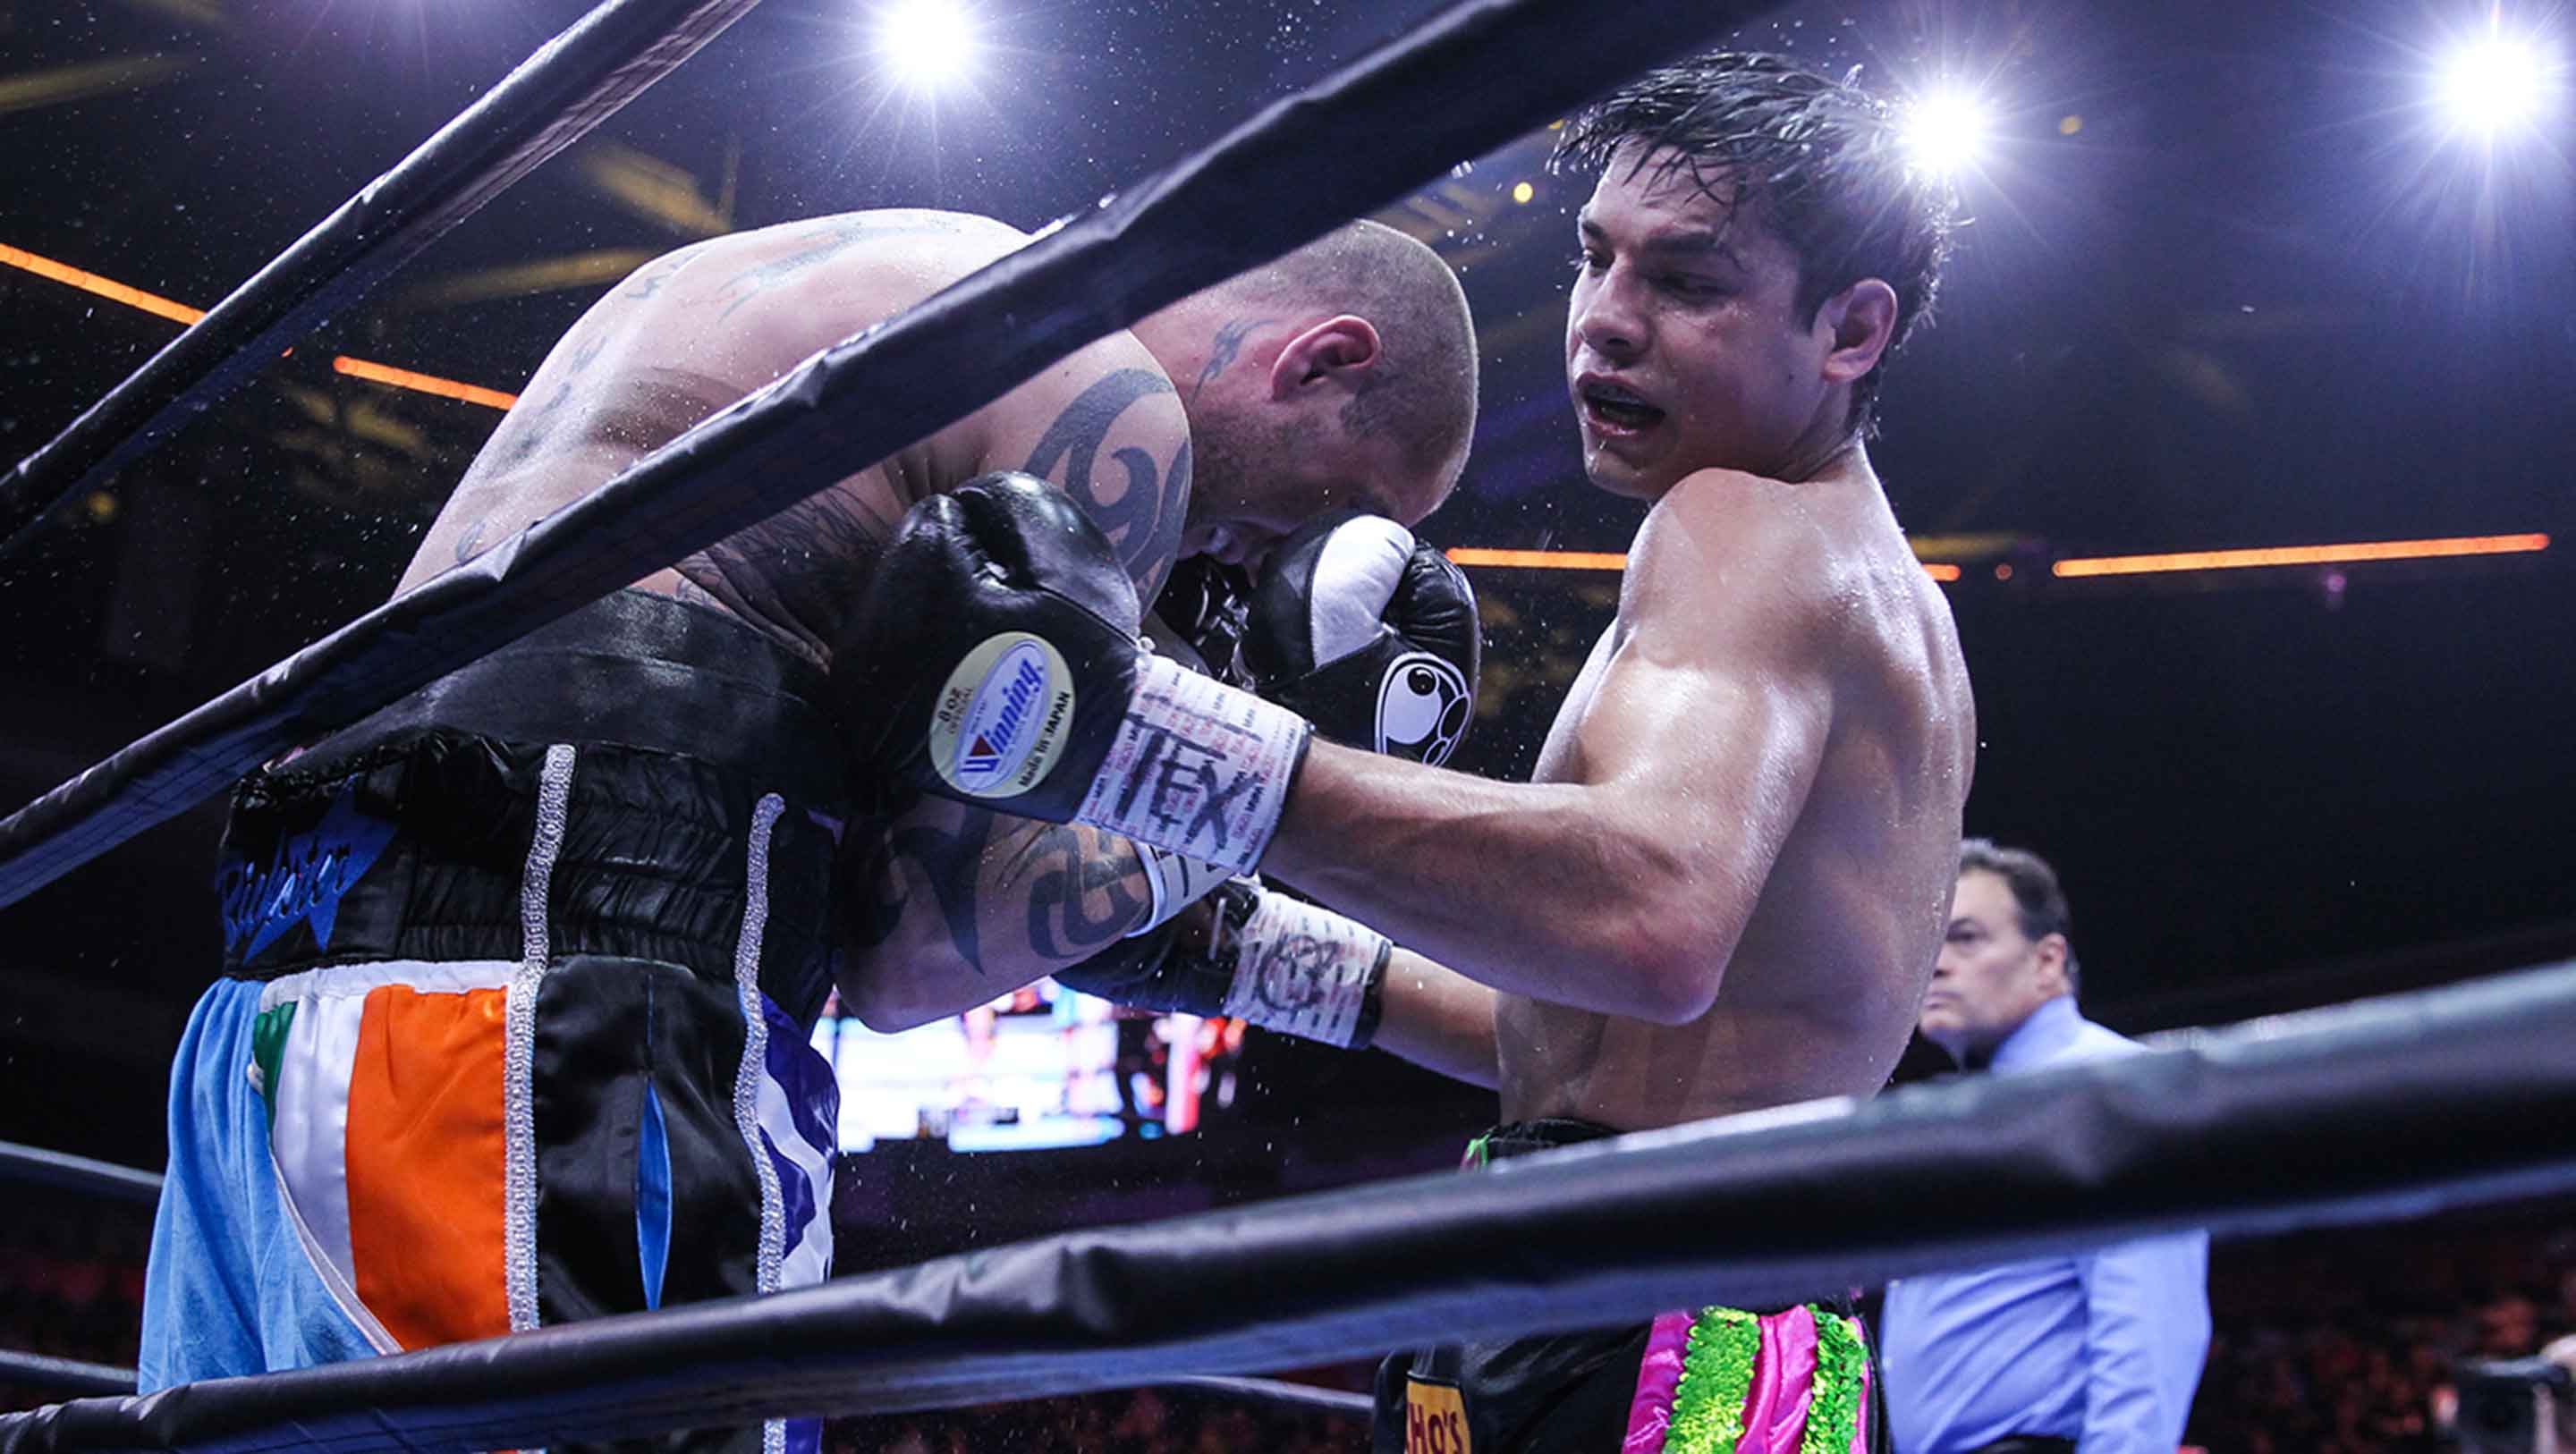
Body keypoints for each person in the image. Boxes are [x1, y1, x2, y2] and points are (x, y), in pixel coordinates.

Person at [139, 205, 1482, 1454]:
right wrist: (1251, 780)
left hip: (278, 975)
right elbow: (906, 967)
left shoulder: (828, 276)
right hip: (579, 999)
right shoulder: (1113, 405)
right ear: (1323, 360)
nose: (1251, 563)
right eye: (1320, 514)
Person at [845, 52, 1975, 1453]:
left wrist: (1140, 740)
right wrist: (1238, 950)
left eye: (1684, 282)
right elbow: (1603, 1032)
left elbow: (1648, 922)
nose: (1603, 324)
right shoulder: (1848, 575)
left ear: (1850, 329)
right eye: (1593, 259)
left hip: (1659, 1298)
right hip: (1633, 1279)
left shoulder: (1746, 530)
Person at [1879, 841, 2212, 1454]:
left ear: (2048, 961)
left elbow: (2151, 1332)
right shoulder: (1966, 1109)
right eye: (1931, 943)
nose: (1937, 964)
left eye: (1967, 938)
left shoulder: (2109, 1084)